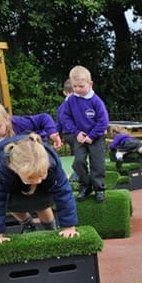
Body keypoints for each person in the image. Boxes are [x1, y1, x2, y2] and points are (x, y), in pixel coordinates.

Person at [0, 133, 78, 244]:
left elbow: (64, 194)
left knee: (43, 203)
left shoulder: (51, 165)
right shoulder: (1, 169)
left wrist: (69, 226)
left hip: (41, 179)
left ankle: (51, 228)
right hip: (12, 182)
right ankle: (28, 224)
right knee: (12, 204)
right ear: (14, 169)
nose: (37, 181)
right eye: (32, 178)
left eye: (41, 176)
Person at [0, 100, 63, 216]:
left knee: (40, 200)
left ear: (7, 120)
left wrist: (53, 133)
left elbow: (43, 118)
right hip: (14, 165)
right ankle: (27, 223)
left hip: (33, 158)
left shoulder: (19, 124)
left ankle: (50, 226)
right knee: (9, 198)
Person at [59, 65, 109, 203]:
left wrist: (92, 136)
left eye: (81, 86)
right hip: (80, 137)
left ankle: (99, 188)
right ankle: (85, 186)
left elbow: (103, 121)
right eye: (74, 86)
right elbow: (65, 118)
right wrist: (77, 133)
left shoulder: (96, 101)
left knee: (97, 163)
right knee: (79, 161)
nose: (77, 90)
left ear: (90, 84)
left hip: (96, 137)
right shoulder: (71, 101)